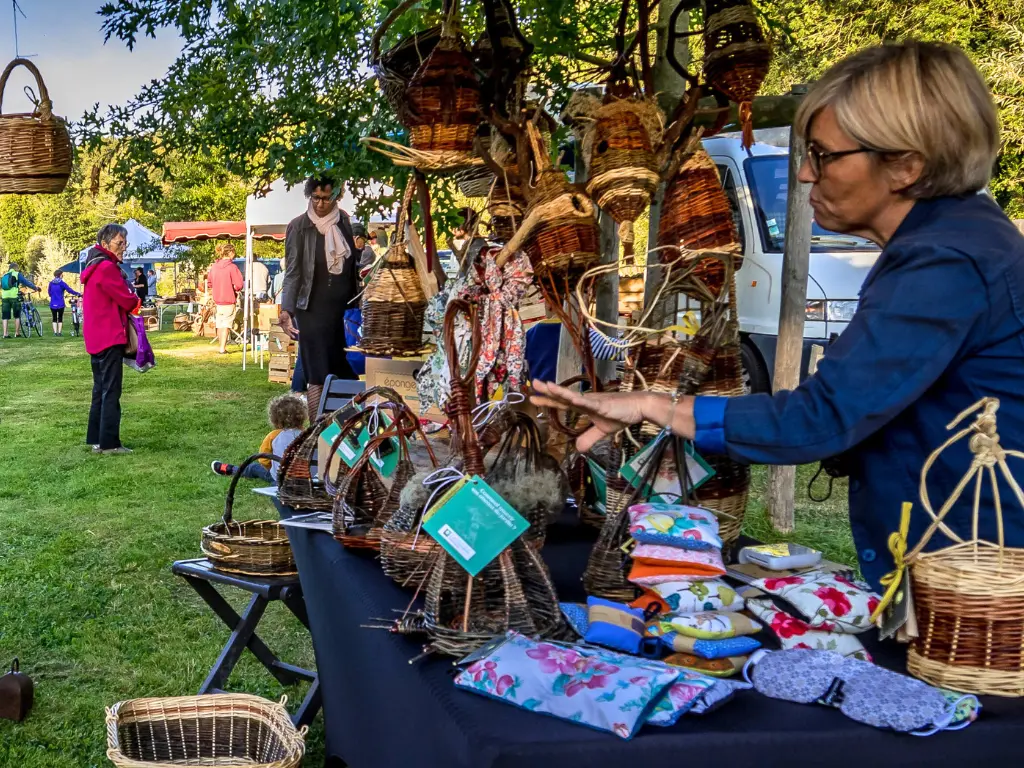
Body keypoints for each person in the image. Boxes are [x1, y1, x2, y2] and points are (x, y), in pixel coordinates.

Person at [532, 41, 1024, 592]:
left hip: (979, 584)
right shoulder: (953, 243)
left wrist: (652, 404)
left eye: (823, 155)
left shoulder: (946, 260)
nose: (808, 175)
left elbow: (820, 418)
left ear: (906, 165)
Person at [279, 174, 361, 421]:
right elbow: (293, 271)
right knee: (316, 370)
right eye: (316, 197)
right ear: (309, 195)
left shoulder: (345, 221)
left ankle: (344, 423)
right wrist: (286, 310)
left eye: (327, 198)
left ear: (336, 197)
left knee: (339, 365)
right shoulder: (299, 226)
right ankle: (317, 430)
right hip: (311, 308)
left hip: (340, 309)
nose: (321, 203)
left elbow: (351, 267)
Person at [82, 224, 142, 455]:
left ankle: (96, 438)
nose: (123, 248)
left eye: (125, 243)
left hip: (96, 337)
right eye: (119, 243)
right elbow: (128, 301)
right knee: (111, 390)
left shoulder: (93, 266)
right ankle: (109, 443)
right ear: (105, 244)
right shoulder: (107, 268)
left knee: (100, 389)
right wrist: (134, 299)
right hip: (109, 336)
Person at [211, 392, 306, 482]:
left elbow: (264, 459)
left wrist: (271, 468)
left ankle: (229, 469)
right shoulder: (309, 434)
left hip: (279, 479)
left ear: (274, 419)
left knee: (253, 467)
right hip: (306, 478)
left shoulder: (273, 436)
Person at [206, 242, 244, 354]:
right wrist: (234, 287)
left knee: (219, 323)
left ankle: (220, 346)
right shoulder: (232, 267)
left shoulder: (214, 267)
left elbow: (209, 283)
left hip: (217, 299)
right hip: (228, 299)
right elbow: (239, 285)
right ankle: (222, 348)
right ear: (231, 253)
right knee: (226, 324)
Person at [1, 261, 39, 338]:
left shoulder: (4, 275)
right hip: (14, 297)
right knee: (17, 315)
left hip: (4, 297)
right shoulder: (17, 274)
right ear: (16, 268)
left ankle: (5, 334)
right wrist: (35, 288)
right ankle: (17, 333)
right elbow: (26, 282)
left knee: (5, 316)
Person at [48, 269, 81, 336]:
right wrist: (77, 294)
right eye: (62, 274)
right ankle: (59, 333)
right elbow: (69, 290)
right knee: (60, 317)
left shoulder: (51, 283)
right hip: (60, 303)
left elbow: (49, 293)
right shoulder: (62, 283)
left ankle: (55, 332)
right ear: (60, 275)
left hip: (52, 303)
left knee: (54, 318)